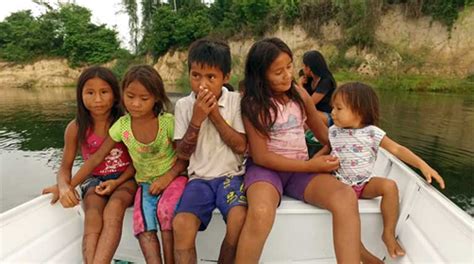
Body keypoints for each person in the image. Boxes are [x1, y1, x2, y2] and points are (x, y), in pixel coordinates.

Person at [235, 37, 361, 264]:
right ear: (260, 75)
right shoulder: (253, 103)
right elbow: (261, 156)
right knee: (261, 212)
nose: (286, 75)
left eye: (289, 66)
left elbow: (325, 136)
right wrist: (311, 165)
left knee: (345, 196)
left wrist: (356, 136)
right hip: (265, 171)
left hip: (300, 172)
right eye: (277, 72)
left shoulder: (299, 96)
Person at [64, 65, 188, 264]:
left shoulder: (167, 123)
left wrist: (167, 177)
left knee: (164, 213)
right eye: (130, 97)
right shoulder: (121, 126)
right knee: (129, 223)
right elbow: (95, 159)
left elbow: (183, 156)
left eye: (144, 98)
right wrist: (66, 185)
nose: (136, 104)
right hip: (137, 182)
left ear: (156, 97)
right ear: (123, 95)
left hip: (154, 179)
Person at [316, 82, 445, 262]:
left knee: (389, 186)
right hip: (339, 187)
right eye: (333, 108)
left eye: (339, 108)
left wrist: (422, 165)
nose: (333, 113)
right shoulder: (334, 132)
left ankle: (388, 234)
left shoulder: (372, 133)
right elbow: (326, 151)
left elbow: (398, 150)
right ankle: (365, 255)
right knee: (346, 226)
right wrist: (310, 164)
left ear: (359, 111)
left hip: (363, 184)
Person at [41, 66, 137, 264]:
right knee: (92, 215)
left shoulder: (126, 122)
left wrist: (117, 181)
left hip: (125, 178)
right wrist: (63, 186)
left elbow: (138, 160)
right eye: (90, 93)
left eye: (104, 92)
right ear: (80, 96)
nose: (98, 100)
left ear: (115, 94)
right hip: (94, 179)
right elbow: (65, 168)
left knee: (114, 209)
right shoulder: (75, 128)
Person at [172, 38, 247, 264]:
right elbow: (182, 154)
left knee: (238, 218)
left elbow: (242, 146)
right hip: (199, 180)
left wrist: (213, 114)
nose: (202, 85)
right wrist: (196, 120)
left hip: (231, 177)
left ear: (226, 77)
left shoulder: (236, 102)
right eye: (196, 76)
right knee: (181, 224)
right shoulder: (184, 106)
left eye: (211, 77)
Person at [298, 50, 336, 127]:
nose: (303, 68)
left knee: (303, 114)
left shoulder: (326, 82)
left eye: (304, 65)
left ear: (309, 68)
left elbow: (309, 103)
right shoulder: (309, 79)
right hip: (314, 113)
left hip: (327, 116)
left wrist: (300, 86)